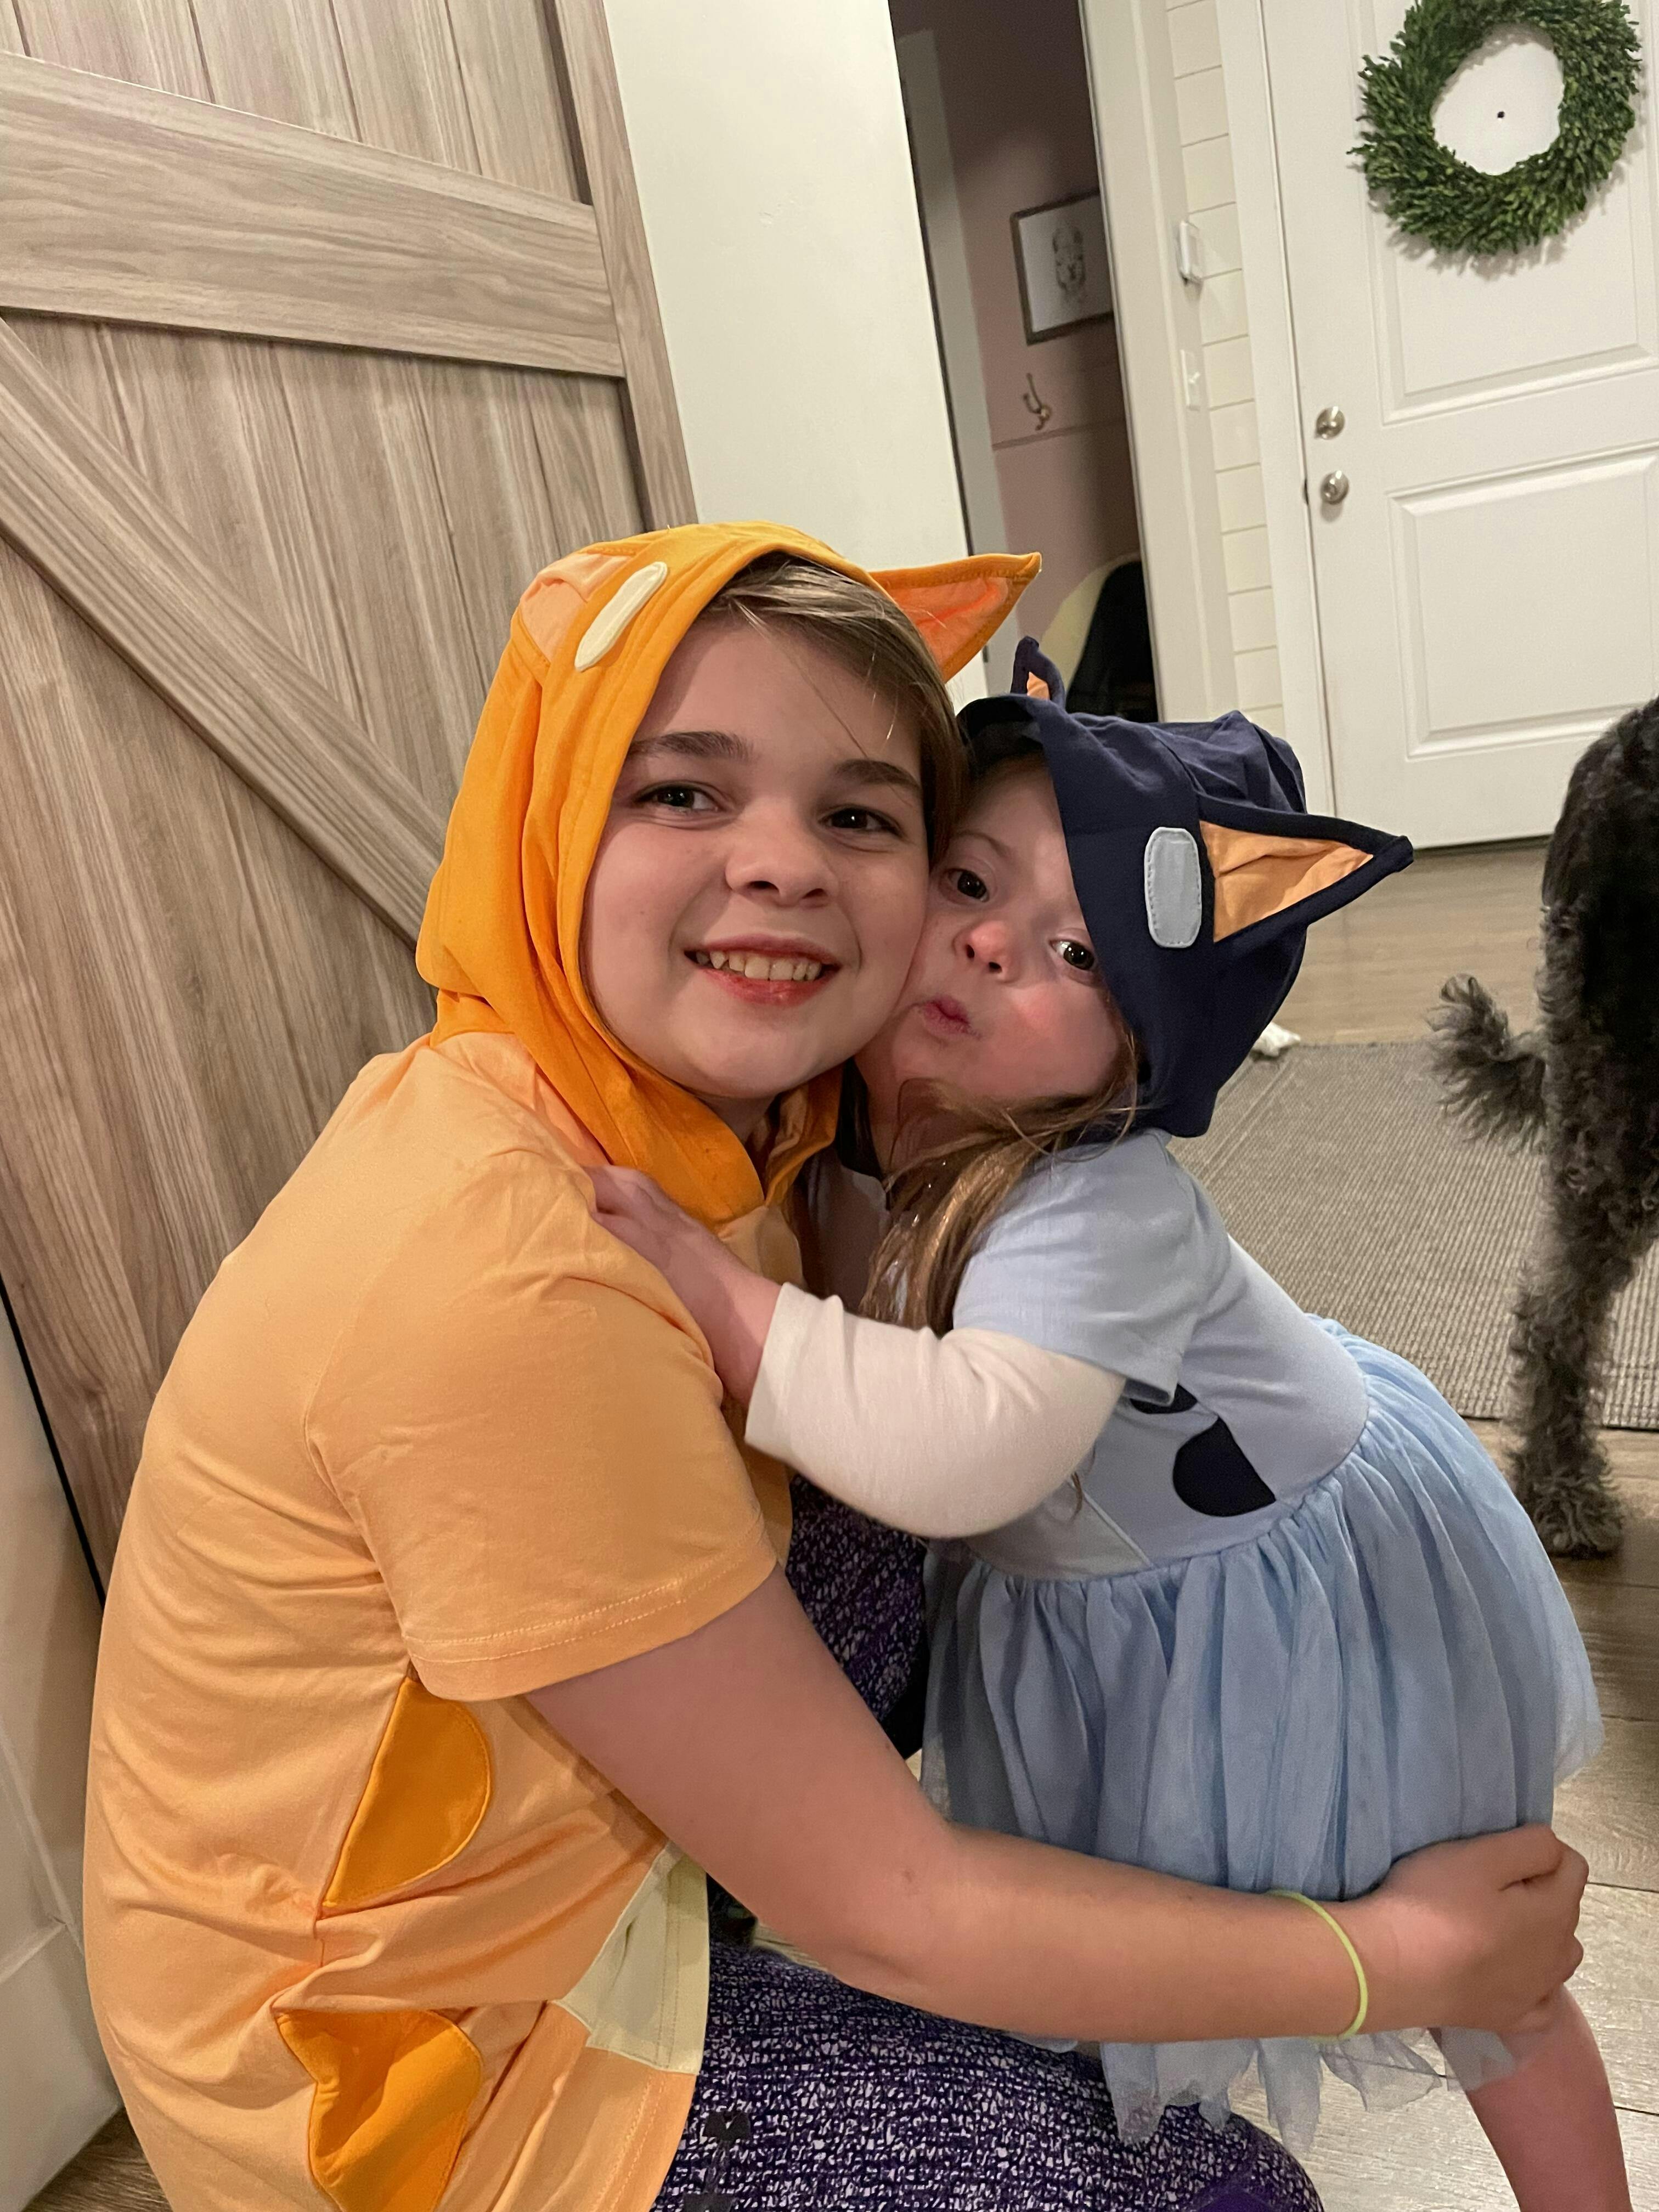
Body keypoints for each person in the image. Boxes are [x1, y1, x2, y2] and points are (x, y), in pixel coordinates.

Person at [83, 542, 1586, 2212]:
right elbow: (893, 1898)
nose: (785, 864)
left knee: (876, 1511)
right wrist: (1393, 1959)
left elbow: (952, 1450)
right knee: (1219, 2193)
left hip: (1221, 1602)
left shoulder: (742, 1115)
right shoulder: (506, 1277)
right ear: (545, 814)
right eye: (682, 790)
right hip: (403, 2078)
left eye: (862, 816)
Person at [591, 639, 1619, 2212]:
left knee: (1487, 1954)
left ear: (1144, 1051)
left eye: (1080, 956)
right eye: (969, 881)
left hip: (1300, 1600)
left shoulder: (1098, 1202)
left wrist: (732, 1312)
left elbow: (963, 1453)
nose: (992, 945)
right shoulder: (854, 1121)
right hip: (1102, 1601)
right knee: (1112, 1930)